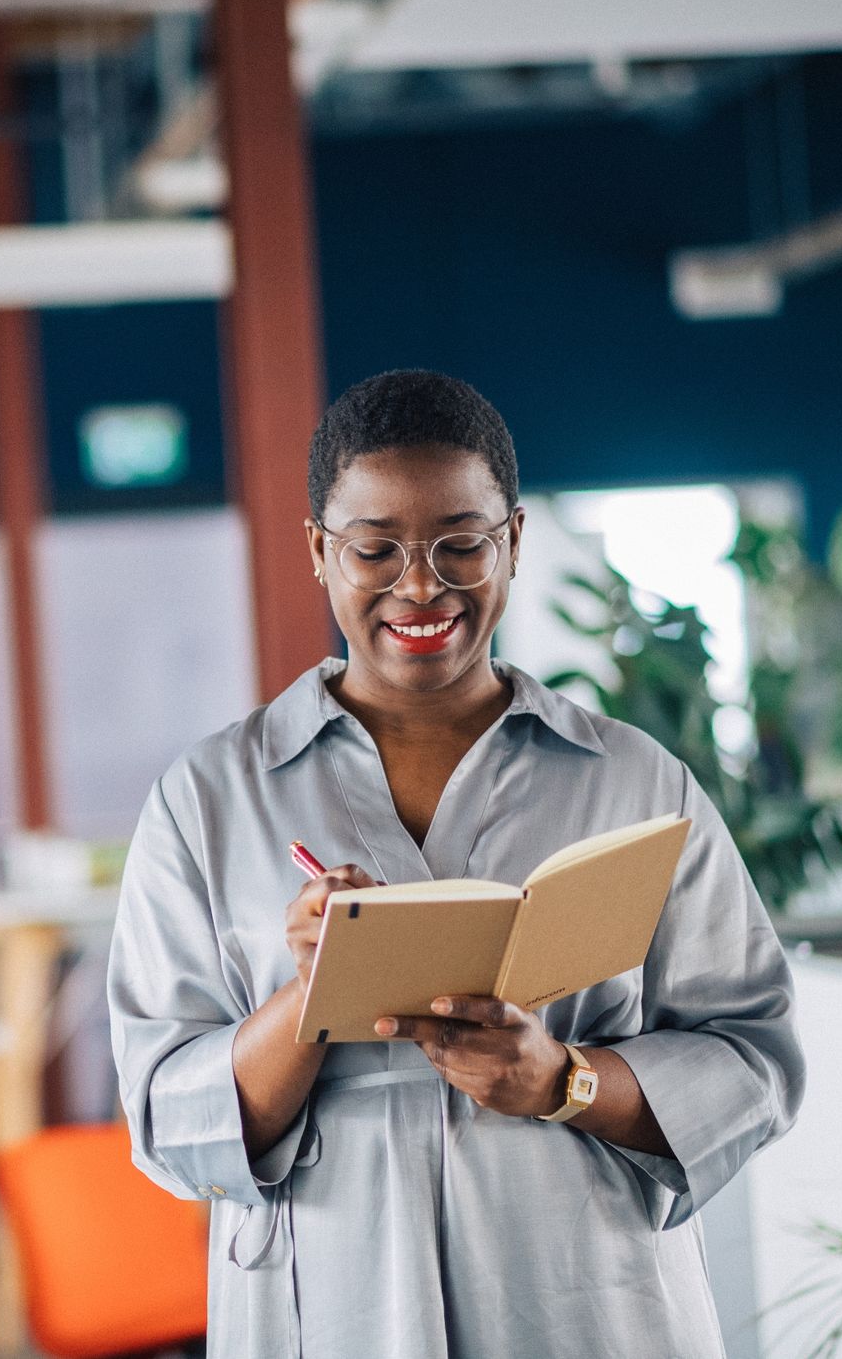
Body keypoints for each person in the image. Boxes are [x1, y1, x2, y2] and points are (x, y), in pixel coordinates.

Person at [107, 370, 804, 1357]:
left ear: (512, 540)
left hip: (584, 1312)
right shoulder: (210, 798)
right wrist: (306, 996)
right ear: (318, 550)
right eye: (374, 548)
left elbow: (752, 1061)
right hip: (333, 1314)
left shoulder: (632, 781)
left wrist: (560, 1078)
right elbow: (161, 1120)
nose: (421, 585)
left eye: (459, 544)